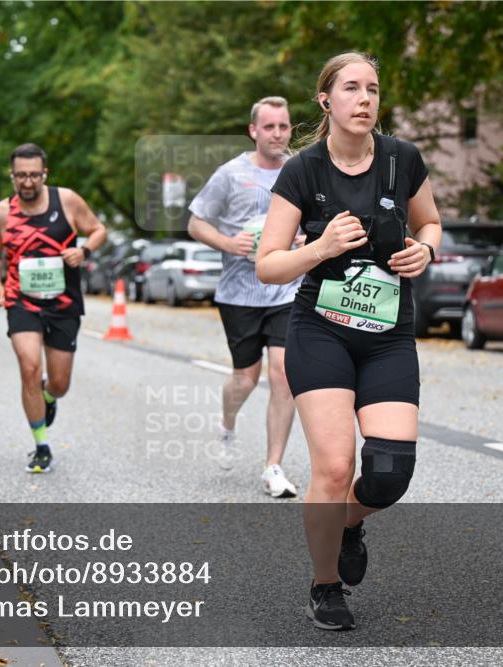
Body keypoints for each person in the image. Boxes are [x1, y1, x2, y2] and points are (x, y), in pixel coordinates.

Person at [255, 52, 441, 631]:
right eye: (352, 89)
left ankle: (350, 523)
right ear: (325, 101)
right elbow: (268, 266)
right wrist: (321, 248)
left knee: (388, 473)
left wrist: (426, 251)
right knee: (333, 469)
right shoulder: (302, 172)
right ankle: (325, 584)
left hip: (387, 336)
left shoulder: (402, 160)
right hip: (320, 331)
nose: (365, 99)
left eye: (373, 90)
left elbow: (430, 222)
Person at [188, 96, 303, 498]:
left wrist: (306, 239)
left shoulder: (300, 171)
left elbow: (318, 221)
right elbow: (196, 221)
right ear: (254, 131)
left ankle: (273, 466)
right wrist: (227, 242)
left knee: (283, 374)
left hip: (287, 289)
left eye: (283, 127)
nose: (277, 134)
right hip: (239, 292)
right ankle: (227, 422)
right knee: (245, 378)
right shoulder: (230, 174)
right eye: (269, 127)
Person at [0, 143, 107, 473]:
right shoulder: (0, 213)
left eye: (34, 175)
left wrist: (83, 251)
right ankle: (41, 445)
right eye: (21, 176)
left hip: (64, 302)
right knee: (28, 367)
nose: (27, 182)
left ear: (45, 174)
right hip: (21, 300)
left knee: (59, 383)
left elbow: (98, 229)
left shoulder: (66, 200)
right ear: (12, 175)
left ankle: (49, 397)